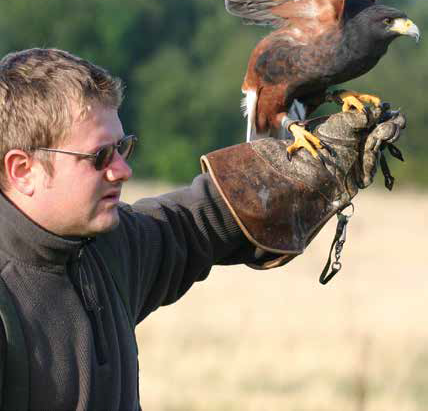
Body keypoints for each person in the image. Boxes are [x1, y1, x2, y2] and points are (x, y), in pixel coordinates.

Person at [0, 48, 403, 410]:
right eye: (100, 156)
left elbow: (199, 223)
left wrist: (304, 172)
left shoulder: (108, 245)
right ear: (23, 170)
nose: (123, 170)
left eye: (123, 148)